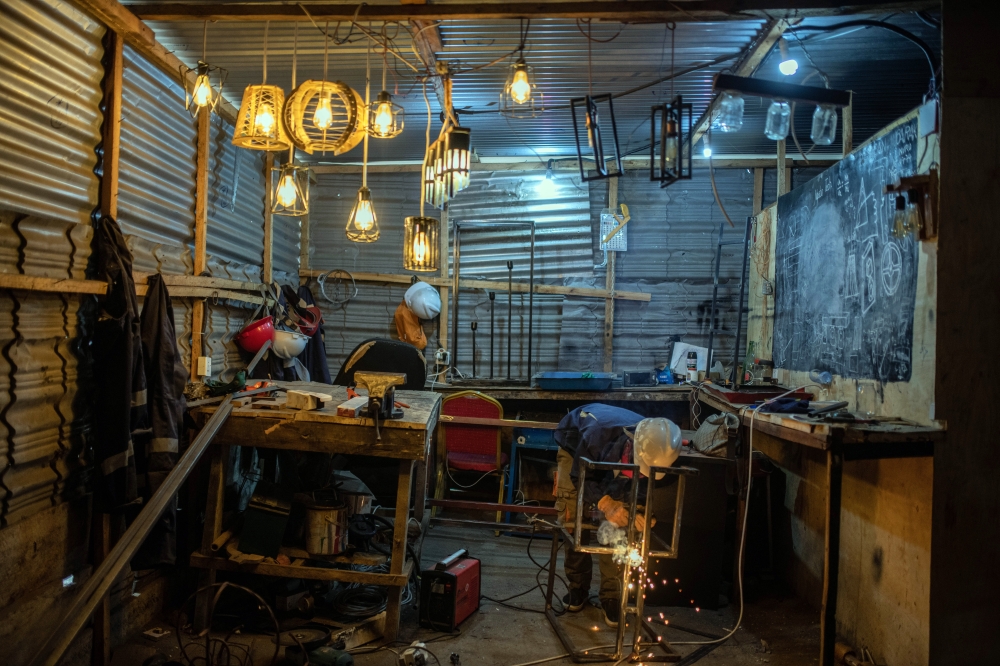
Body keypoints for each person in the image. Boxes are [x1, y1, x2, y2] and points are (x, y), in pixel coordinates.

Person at [553, 404, 682, 627]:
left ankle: (611, 596)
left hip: (613, 454)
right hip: (577, 450)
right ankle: (577, 587)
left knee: (616, 526)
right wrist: (605, 503)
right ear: (632, 446)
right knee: (574, 517)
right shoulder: (598, 436)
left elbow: (644, 484)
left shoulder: (660, 449)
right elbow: (579, 476)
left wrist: (639, 510)